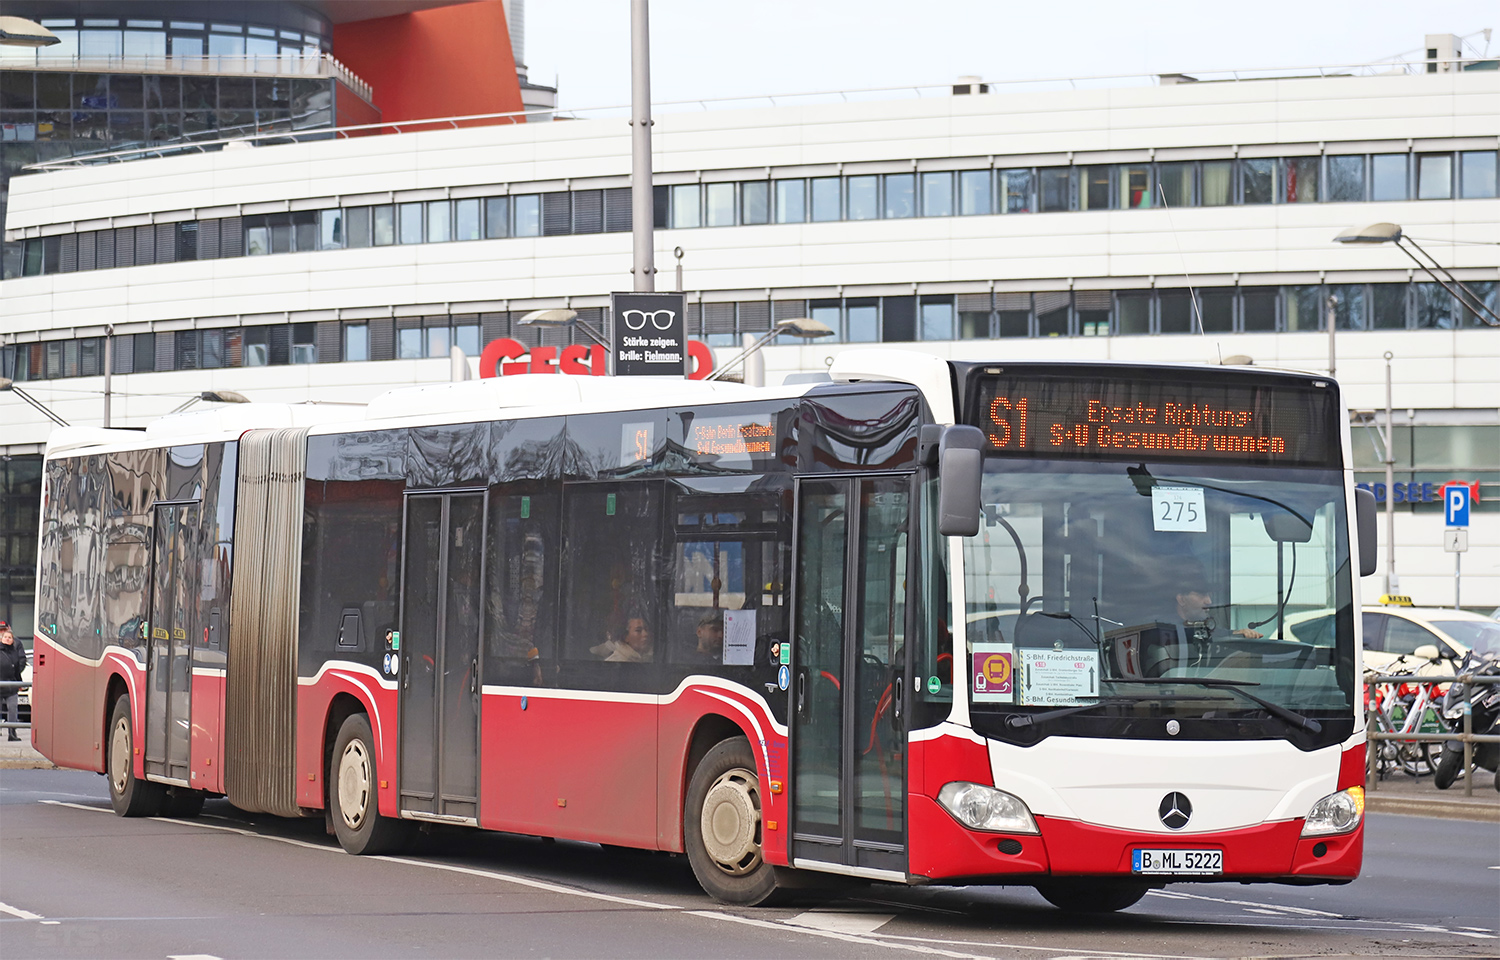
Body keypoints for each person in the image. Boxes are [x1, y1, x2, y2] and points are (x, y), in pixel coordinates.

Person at [0, 623, 25, 742]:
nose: (7, 639)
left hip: (11, 685)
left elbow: (17, 668)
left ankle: (12, 733)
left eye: (9, 637)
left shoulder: (15, 652)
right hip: (1, 685)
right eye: (5, 637)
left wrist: (19, 683)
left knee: (13, 709)